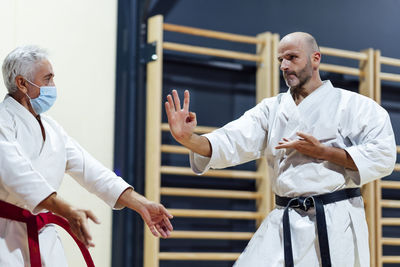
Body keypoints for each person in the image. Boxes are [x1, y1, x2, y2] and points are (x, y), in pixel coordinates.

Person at [165, 32, 396, 267]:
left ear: (315, 58)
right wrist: (188, 138)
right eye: (280, 60)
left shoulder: (355, 106)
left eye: (292, 57)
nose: (284, 66)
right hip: (284, 218)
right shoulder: (272, 109)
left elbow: (384, 155)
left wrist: (324, 152)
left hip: (336, 223)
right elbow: (231, 141)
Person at [0, 45, 173, 266]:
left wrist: (141, 204)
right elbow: (17, 175)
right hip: (5, 236)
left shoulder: (53, 129)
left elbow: (91, 170)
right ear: (22, 83)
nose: (53, 86)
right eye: (48, 79)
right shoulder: (3, 121)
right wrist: (66, 210)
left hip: (45, 236)